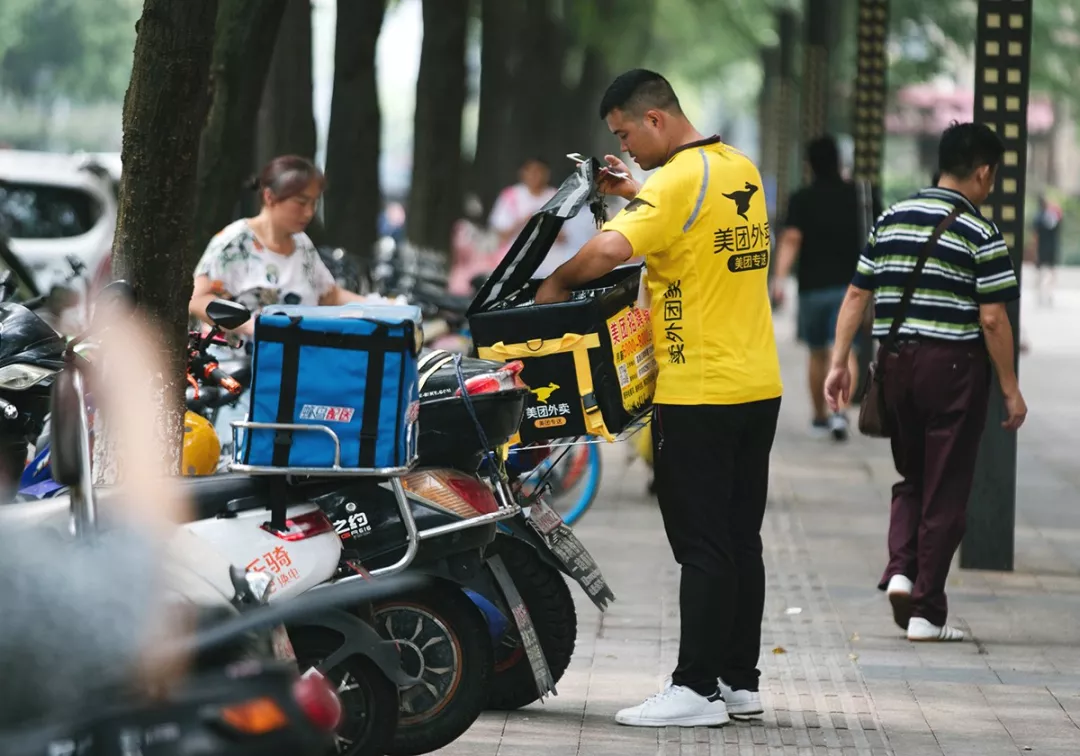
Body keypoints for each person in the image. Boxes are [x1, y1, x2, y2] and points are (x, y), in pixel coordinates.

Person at [535, 69, 782, 728]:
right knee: (739, 538)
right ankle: (740, 681)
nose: (628, 150)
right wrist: (639, 192)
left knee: (701, 545)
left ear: (654, 120)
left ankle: (694, 690)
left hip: (699, 390)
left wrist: (552, 289)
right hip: (758, 386)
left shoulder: (673, 184)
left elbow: (609, 250)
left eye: (626, 135)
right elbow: (692, 226)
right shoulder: (740, 169)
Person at [824, 122, 1027, 642]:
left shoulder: (893, 218)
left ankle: (901, 571)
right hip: (953, 370)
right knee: (947, 487)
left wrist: (838, 361)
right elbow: (993, 320)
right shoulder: (980, 233)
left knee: (911, 477)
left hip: (895, 367)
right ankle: (926, 612)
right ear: (983, 171)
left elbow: (855, 296)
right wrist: (1009, 387)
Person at [189, 155, 370, 334]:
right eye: (301, 202)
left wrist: (381, 307)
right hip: (237, 360)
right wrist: (250, 327)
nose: (309, 212)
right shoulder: (235, 242)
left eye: (314, 203)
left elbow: (329, 295)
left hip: (291, 358)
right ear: (269, 197)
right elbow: (197, 299)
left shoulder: (302, 243)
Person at [771, 135, 866, 441]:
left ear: (809, 165)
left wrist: (779, 278)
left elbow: (791, 239)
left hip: (813, 289)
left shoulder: (802, 198)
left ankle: (819, 417)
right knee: (845, 349)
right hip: (852, 288)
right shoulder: (860, 196)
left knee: (817, 353)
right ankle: (840, 413)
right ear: (839, 161)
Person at [1028, 193, 1063, 306]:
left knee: (1039, 273)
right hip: (1052, 248)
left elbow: (1035, 236)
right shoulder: (1053, 216)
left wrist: (1033, 250)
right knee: (1051, 272)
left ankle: (1039, 293)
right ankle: (1048, 293)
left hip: (1040, 249)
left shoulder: (1038, 218)